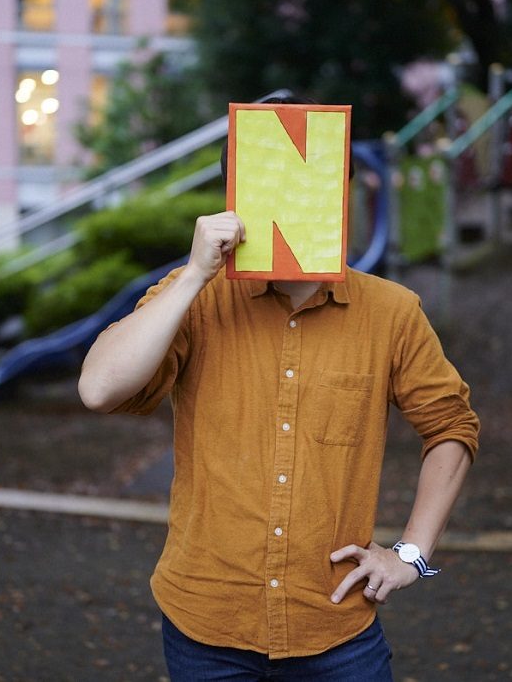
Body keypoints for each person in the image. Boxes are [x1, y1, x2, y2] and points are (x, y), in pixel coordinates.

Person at [78, 105, 480, 681]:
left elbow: (451, 426)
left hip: (337, 630)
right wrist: (193, 275)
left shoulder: (392, 312)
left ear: (340, 193)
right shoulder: (196, 297)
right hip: (205, 628)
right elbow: (98, 388)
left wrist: (411, 554)